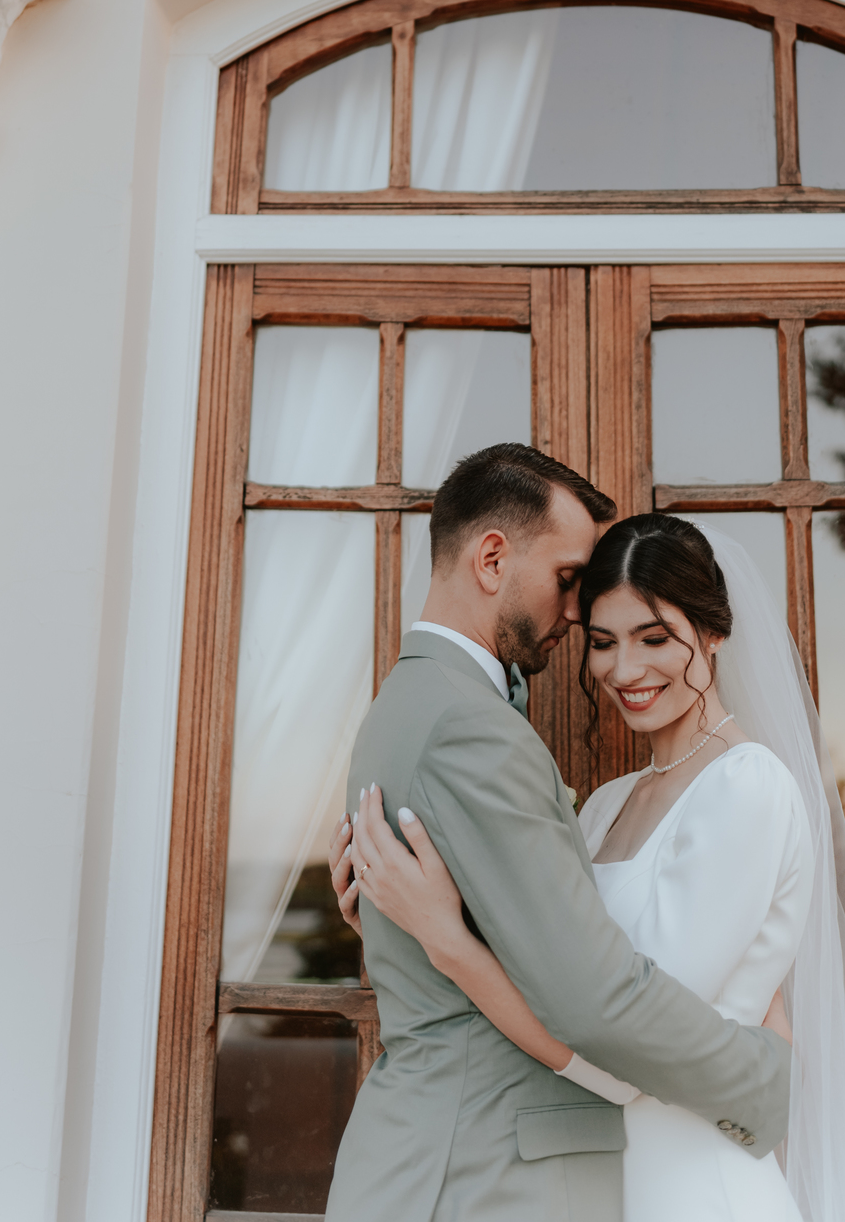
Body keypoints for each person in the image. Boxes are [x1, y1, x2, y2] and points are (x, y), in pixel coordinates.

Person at [344, 512, 845, 1222]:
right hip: (595, 1184)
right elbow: (548, 966)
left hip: (696, 1188)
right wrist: (390, 908)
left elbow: (625, 1048)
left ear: (715, 632)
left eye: (654, 638)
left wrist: (446, 941)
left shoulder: (747, 787)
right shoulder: (602, 807)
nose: (625, 670)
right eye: (603, 643)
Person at [323, 447, 794, 1222]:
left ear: (709, 635)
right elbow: (595, 1002)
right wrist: (763, 1081)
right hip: (480, 1168)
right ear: (492, 557)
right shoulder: (473, 731)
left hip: (542, 1163)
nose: (578, 619)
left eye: (651, 636)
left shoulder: (413, 703)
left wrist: (429, 937)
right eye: (569, 582)